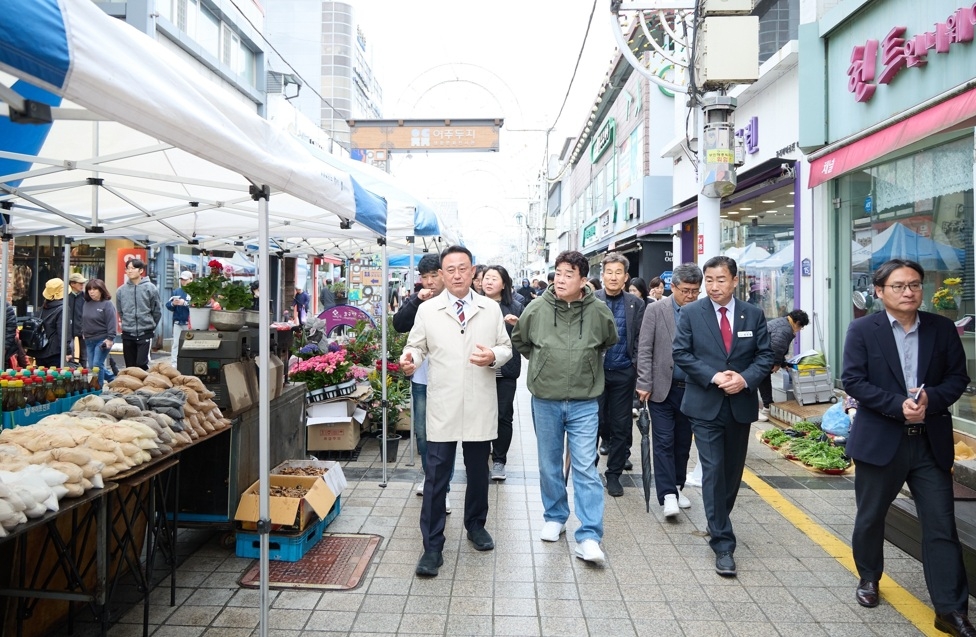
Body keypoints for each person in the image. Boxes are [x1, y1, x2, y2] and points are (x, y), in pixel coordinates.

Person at [842, 259, 973, 636]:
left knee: (942, 525)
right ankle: (869, 577)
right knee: (870, 517)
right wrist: (895, 405)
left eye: (914, 285)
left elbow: (957, 378)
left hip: (929, 443)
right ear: (880, 292)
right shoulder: (863, 329)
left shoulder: (942, 328)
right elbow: (854, 380)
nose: (908, 292)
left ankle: (951, 609)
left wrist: (931, 398)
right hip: (881, 440)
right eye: (899, 286)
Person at [400, 245, 512, 577]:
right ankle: (432, 547)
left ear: (473, 270)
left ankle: (476, 526)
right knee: (436, 476)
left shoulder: (490, 309)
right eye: (451, 270)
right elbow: (416, 345)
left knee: (478, 471)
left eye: (463, 268)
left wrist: (492, 355)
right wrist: (411, 359)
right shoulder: (428, 310)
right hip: (443, 404)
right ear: (442, 275)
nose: (457, 275)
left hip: (479, 401)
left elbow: (506, 347)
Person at [511, 250, 617, 565]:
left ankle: (589, 536)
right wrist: (544, 362)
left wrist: (584, 362)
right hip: (545, 398)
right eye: (558, 272)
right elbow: (521, 341)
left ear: (583, 279)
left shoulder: (599, 311)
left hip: (585, 401)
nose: (561, 279)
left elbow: (608, 342)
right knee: (548, 463)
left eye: (569, 274)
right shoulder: (536, 308)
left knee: (585, 466)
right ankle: (555, 515)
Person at [671, 255, 774, 577]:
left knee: (731, 473)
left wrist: (744, 379)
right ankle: (723, 542)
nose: (714, 286)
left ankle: (718, 520)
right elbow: (681, 353)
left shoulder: (753, 314)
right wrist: (715, 376)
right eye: (710, 280)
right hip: (705, 404)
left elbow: (765, 355)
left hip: (740, 404)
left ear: (734, 280)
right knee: (714, 470)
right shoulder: (690, 313)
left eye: (721, 280)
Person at [636, 263, 703, 517]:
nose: (690, 296)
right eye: (685, 290)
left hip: (693, 388)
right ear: (672, 287)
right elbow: (645, 348)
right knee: (663, 440)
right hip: (662, 387)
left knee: (683, 442)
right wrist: (643, 382)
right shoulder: (655, 310)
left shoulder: (701, 310)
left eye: (695, 291)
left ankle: (677, 485)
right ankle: (667, 495)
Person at [393, 254, 450, 510]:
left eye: (433, 276)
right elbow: (398, 324)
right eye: (424, 277)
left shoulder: (455, 300)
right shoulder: (419, 299)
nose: (429, 282)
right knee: (423, 434)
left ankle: (443, 487)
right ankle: (431, 478)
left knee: (446, 435)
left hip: (449, 379)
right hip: (421, 377)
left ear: (443, 274)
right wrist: (416, 299)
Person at [594, 252, 645, 497]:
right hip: (596, 373)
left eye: (618, 273)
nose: (613, 277)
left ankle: (613, 474)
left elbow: (640, 339)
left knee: (622, 424)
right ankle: (590, 471)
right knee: (596, 422)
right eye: (609, 272)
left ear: (626, 277)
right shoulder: (591, 299)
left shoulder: (636, 304)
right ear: (602, 275)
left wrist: (635, 366)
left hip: (624, 372)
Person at [481, 265, 523, 481]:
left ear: (504, 283)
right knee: (480, 414)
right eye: (486, 278)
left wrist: (518, 327)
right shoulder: (474, 305)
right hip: (479, 370)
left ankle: (499, 460)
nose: (488, 282)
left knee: (503, 415)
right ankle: (480, 456)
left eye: (494, 278)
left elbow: (527, 339)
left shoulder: (515, 307)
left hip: (505, 371)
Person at [758, 309, 810, 421]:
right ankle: (765, 407)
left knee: (764, 378)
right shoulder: (785, 329)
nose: (800, 330)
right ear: (797, 323)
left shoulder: (782, 322)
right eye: (801, 327)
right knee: (762, 378)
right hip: (759, 354)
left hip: (760, 353)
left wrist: (783, 363)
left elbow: (779, 347)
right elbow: (776, 347)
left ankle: (767, 406)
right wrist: (776, 363)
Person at [116, 258, 162, 370]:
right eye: (127, 268)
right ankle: (132, 387)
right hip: (128, 332)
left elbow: (156, 310)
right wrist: (127, 322)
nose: (129, 271)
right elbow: (120, 311)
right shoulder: (121, 290)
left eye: (133, 268)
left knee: (141, 363)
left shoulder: (150, 288)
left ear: (141, 271)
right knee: (130, 366)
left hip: (145, 331)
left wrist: (149, 324)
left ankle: (144, 385)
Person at [83, 279, 118, 385]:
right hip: (89, 339)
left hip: (103, 339)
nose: (91, 292)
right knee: (93, 366)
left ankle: (98, 388)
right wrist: (83, 332)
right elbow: (84, 319)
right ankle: (113, 379)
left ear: (101, 290)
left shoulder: (107, 304)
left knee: (97, 365)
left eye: (94, 289)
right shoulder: (87, 303)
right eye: (89, 289)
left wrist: (110, 338)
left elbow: (112, 322)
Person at [34, 278, 65, 367]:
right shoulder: (62, 309)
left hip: (40, 350)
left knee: (42, 379)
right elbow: (63, 333)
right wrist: (67, 351)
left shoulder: (43, 307)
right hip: (55, 352)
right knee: (56, 379)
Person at [166, 270, 192, 366]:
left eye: (185, 279)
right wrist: (173, 303)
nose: (183, 282)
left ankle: (188, 364)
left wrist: (184, 303)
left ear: (191, 279)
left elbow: (198, 306)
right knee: (176, 344)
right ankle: (174, 365)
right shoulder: (176, 291)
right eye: (182, 279)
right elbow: (168, 305)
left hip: (190, 323)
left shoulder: (195, 292)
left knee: (190, 344)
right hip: (178, 322)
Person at [66, 272, 87, 366]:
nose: (82, 285)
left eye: (83, 283)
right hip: (69, 329)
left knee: (84, 354)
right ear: (72, 284)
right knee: (70, 352)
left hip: (82, 328)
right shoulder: (66, 297)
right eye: (80, 283)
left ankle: (84, 372)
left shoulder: (85, 297)